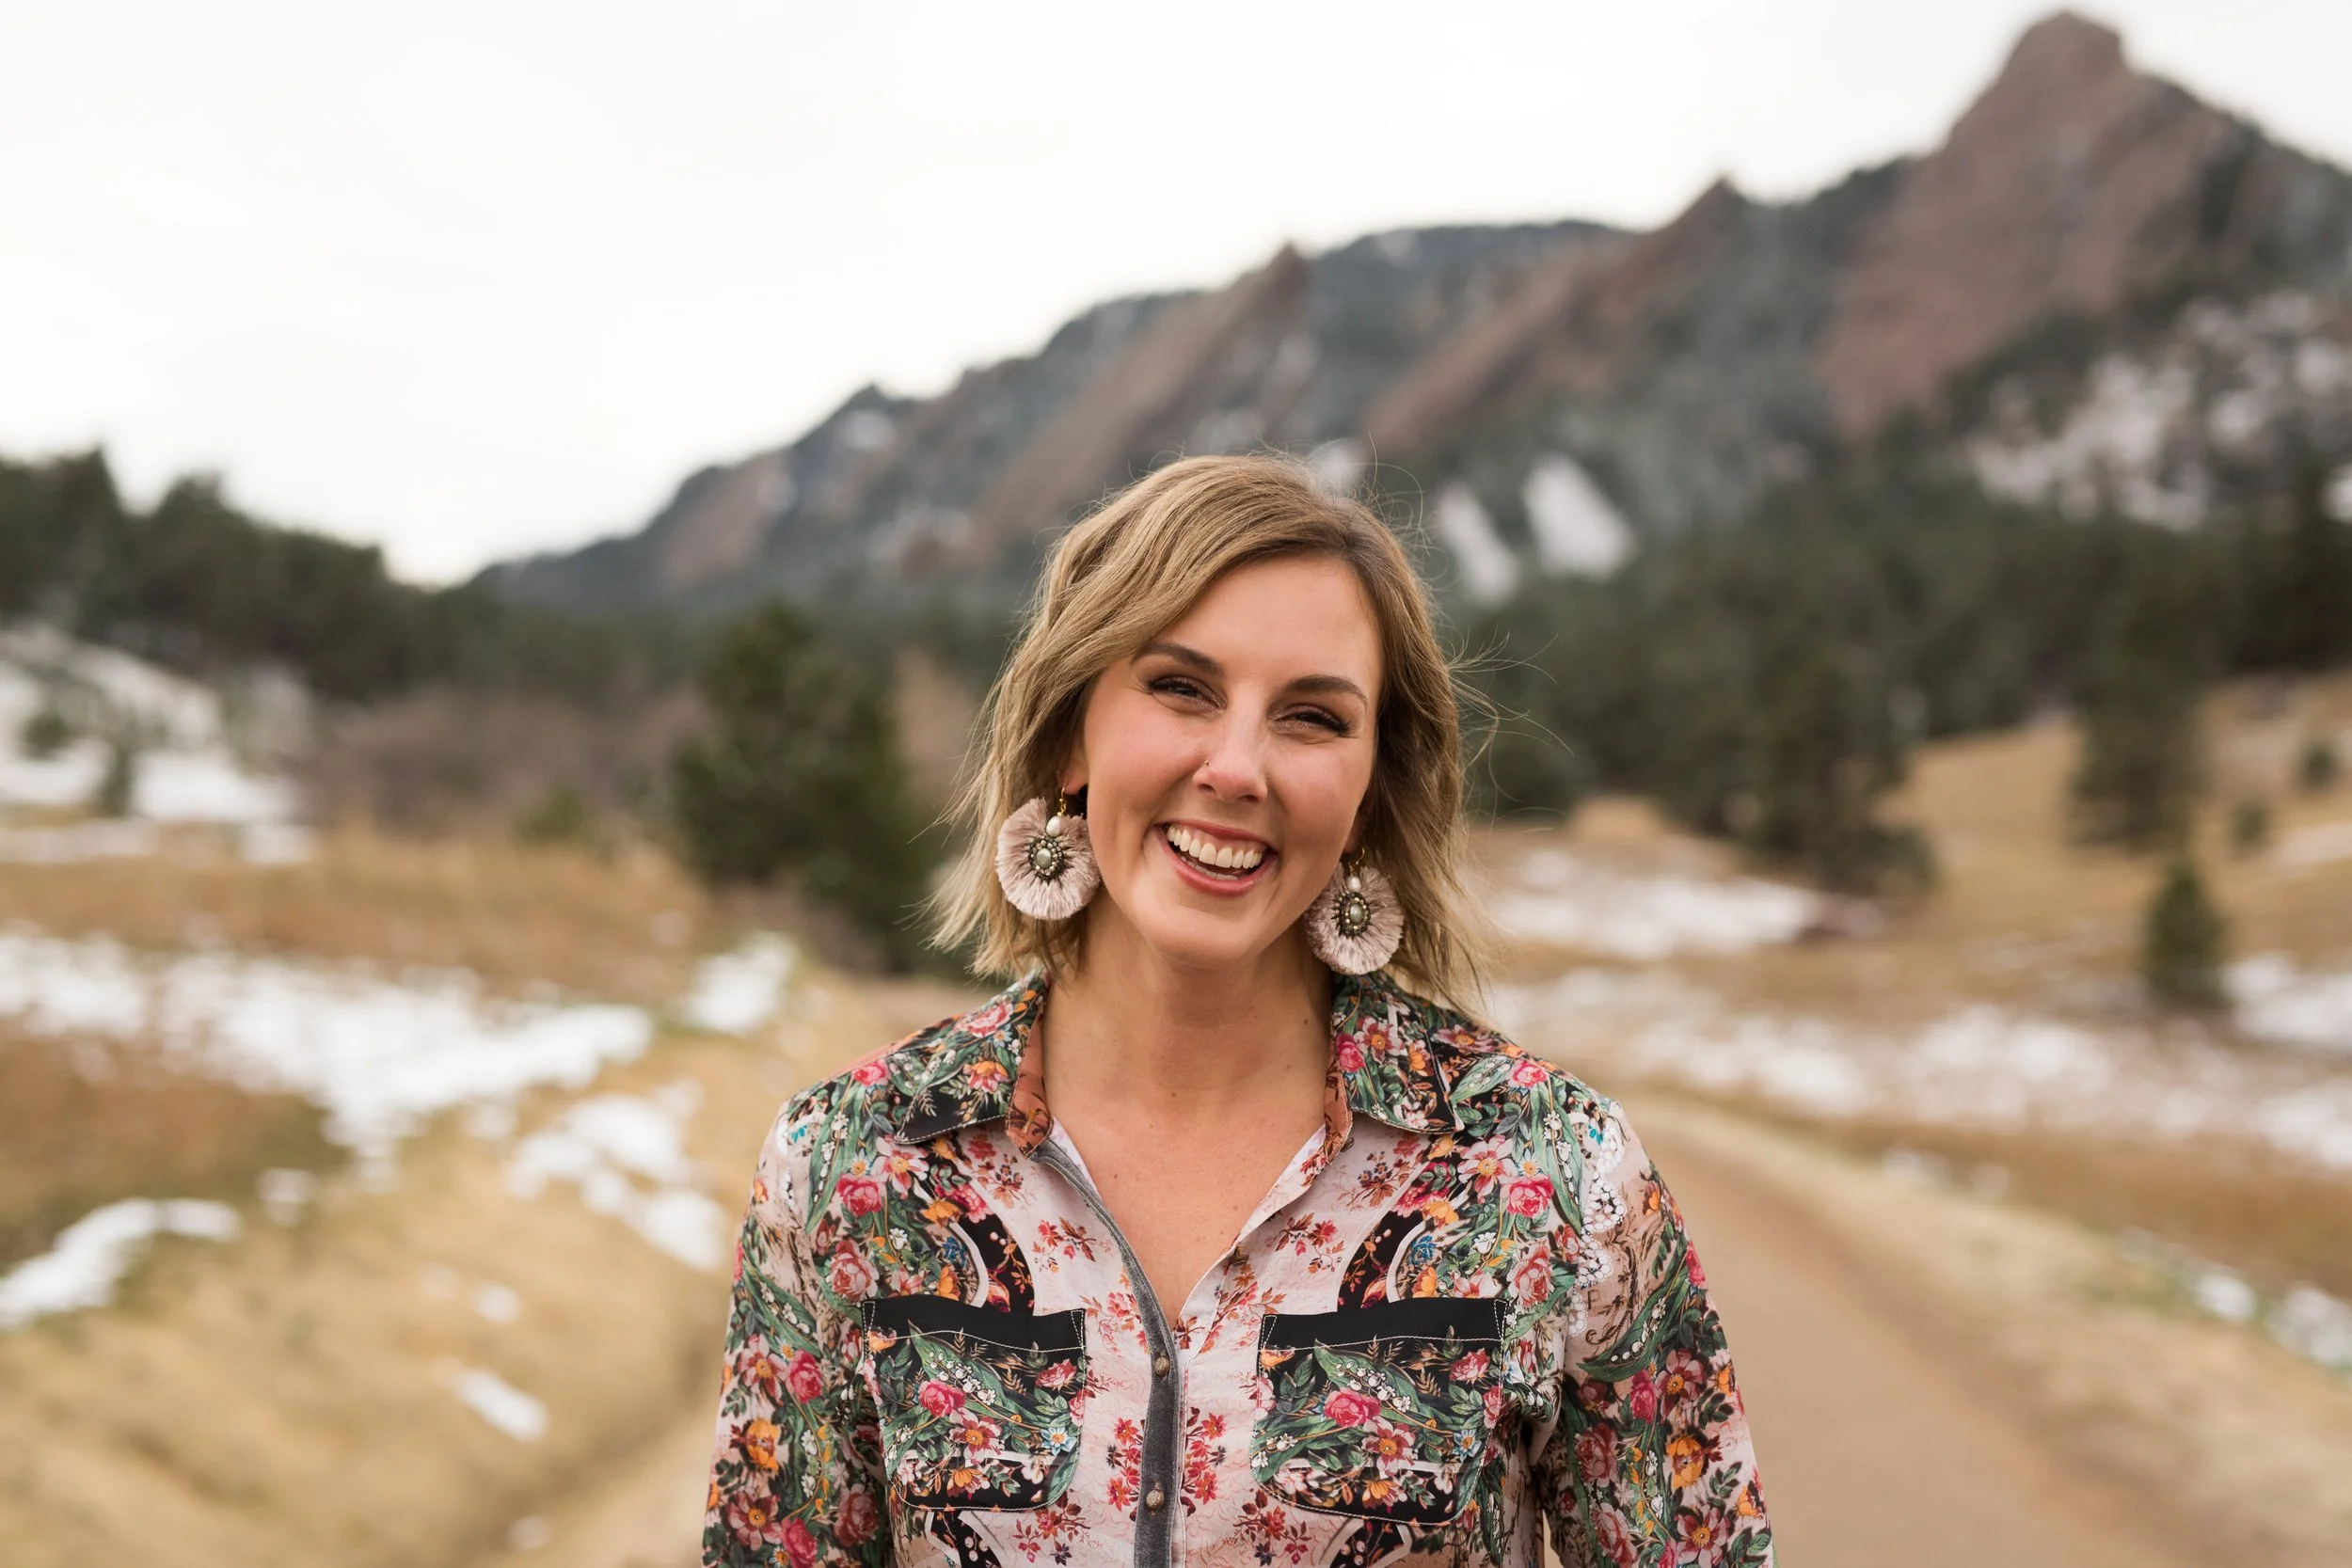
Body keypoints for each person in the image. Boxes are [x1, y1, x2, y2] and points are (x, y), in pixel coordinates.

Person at [704, 455, 1772, 1568]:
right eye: (1181, 687)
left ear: (1366, 789)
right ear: (1073, 731)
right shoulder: (850, 1162)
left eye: (1312, 717)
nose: (1236, 766)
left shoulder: (1551, 1172)